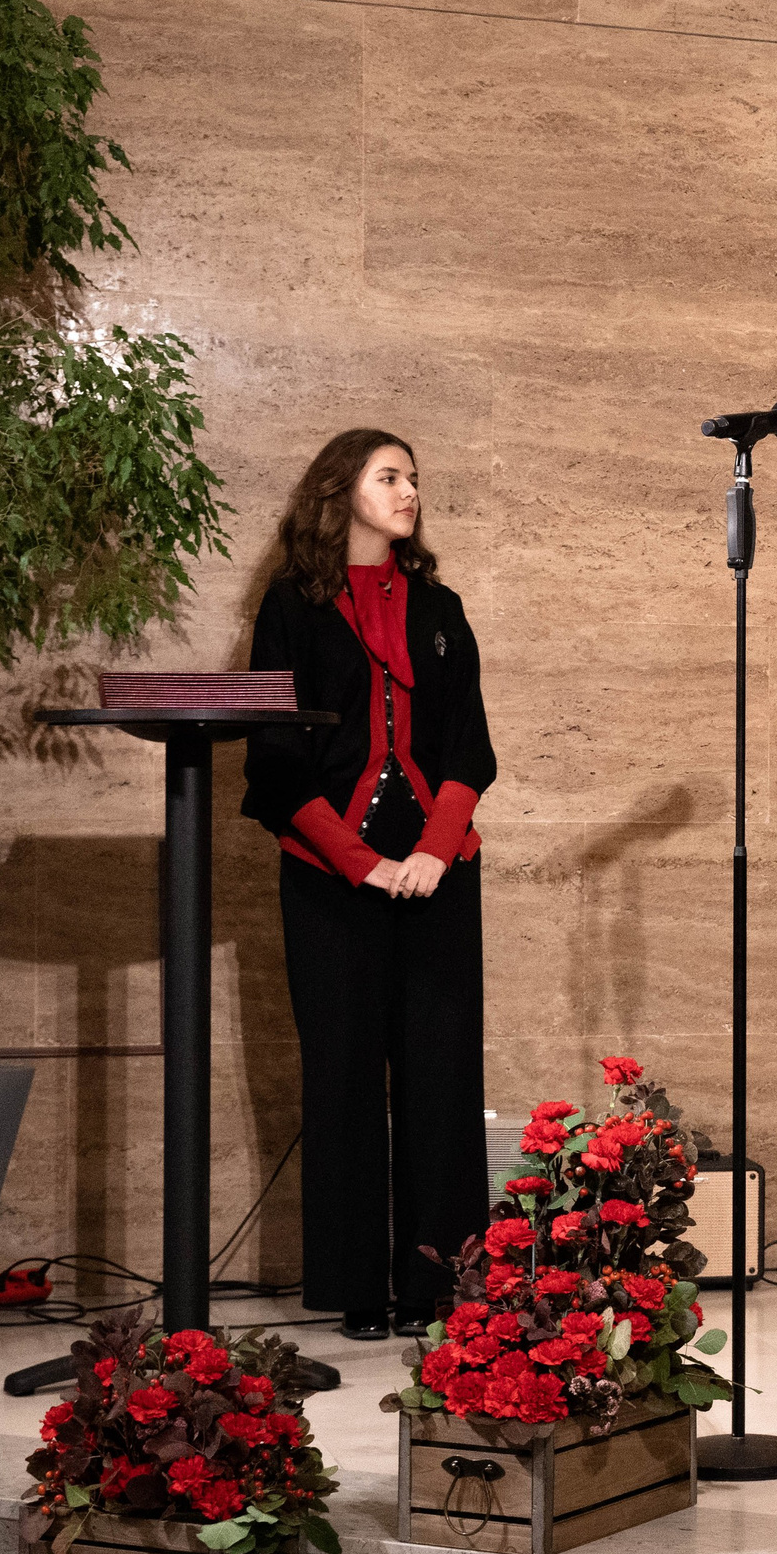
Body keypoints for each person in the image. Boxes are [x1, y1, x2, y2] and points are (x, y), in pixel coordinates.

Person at [241, 429, 495, 1341]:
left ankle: (437, 1283)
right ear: (341, 490)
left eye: (415, 478)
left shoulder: (441, 606)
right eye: (390, 476)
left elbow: (470, 746)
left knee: (440, 1076)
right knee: (342, 1078)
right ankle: (356, 1288)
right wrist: (360, 861)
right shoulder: (290, 609)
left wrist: (432, 850)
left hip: (440, 872)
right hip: (327, 877)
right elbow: (273, 761)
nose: (409, 490)